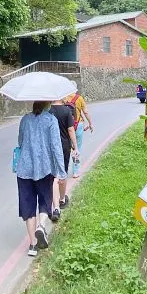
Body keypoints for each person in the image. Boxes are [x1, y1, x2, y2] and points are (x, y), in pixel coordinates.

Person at [15, 101, 66, 257]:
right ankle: (41, 226)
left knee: (28, 207)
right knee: (45, 201)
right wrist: (61, 172)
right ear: (47, 105)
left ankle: (32, 245)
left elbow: (20, 142)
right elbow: (56, 147)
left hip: (24, 170)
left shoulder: (25, 119)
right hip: (44, 169)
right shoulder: (51, 120)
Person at [49, 96, 80, 221]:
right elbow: (71, 130)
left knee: (53, 175)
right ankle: (62, 199)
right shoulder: (66, 111)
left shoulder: (48, 111)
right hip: (64, 146)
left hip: (50, 147)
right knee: (62, 173)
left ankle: (54, 203)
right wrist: (75, 147)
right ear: (61, 97)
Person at [65, 92, 94, 179]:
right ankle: (76, 171)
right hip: (78, 125)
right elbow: (85, 112)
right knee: (77, 148)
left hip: (66, 126)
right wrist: (90, 123)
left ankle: (64, 171)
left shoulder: (64, 98)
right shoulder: (79, 98)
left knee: (67, 148)